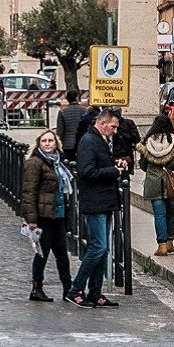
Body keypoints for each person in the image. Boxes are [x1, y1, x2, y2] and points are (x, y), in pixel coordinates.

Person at [68, 110, 126, 308]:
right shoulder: (89, 141)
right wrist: (113, 171)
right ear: (102, 123)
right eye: (113, 126)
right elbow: (86, 171)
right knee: (98, 247)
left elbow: (98, 166)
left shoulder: (99, 140)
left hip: (104, 201)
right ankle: (75, 289)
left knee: (104, 249)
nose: (116, 130)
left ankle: (95, 292)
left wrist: (114, 164)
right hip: (94, 202)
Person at [21, 129, 74, 302]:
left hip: (58, 214)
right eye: (44, 141)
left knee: (61, 253)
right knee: (42, 253)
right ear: (39, 143)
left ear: (56, 143)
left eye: (51, 140)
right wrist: (32, 219)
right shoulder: (35, 163)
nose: (48, 143)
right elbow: (29, 192)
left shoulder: (57, 163)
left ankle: (68, 288)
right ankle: (36, 288)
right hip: (43, 216)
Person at [136, 113, 174, 257]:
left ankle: (161, 245)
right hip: (172, 182)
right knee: (171, 212)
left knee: (159, 214)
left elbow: (143, 164)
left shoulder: (147, 143)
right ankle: (170, 241)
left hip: (154, 181)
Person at [55, 87, 87, 153]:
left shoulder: (62, 112)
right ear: (77, 98)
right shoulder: (85, 111)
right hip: (83, 143)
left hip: (67, 144)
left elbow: (60, 131)